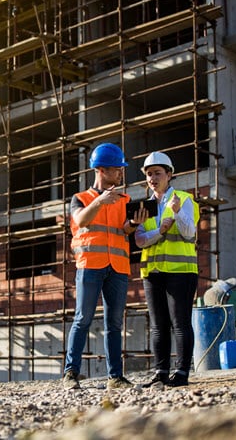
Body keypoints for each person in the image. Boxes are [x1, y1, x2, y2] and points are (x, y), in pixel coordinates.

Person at [62, 143, 147, 390]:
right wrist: (100, 201)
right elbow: (81, 219)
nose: (121, 173)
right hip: (90, 265)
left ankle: (115, 377)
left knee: (115, 324)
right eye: (116, 169)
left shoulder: (124, 199)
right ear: (100, 170)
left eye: (121, 169)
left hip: (118, 267)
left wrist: (133, 222)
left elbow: (125, 230)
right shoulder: (80, 198)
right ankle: (70, 374)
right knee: (83, 319)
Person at [134, 151, 199, 388]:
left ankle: (181, 373)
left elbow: (190, 232)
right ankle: (160, 373)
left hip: (181, 270)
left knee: (180, 322)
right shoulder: (144, 206)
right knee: (158, 324)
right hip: (152, 272)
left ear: (169, 174)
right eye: (149, 174)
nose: (152, 177)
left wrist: (178, 211)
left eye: (157, 173)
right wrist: (159, 231)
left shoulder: (184, 199)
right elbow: (140, 240)